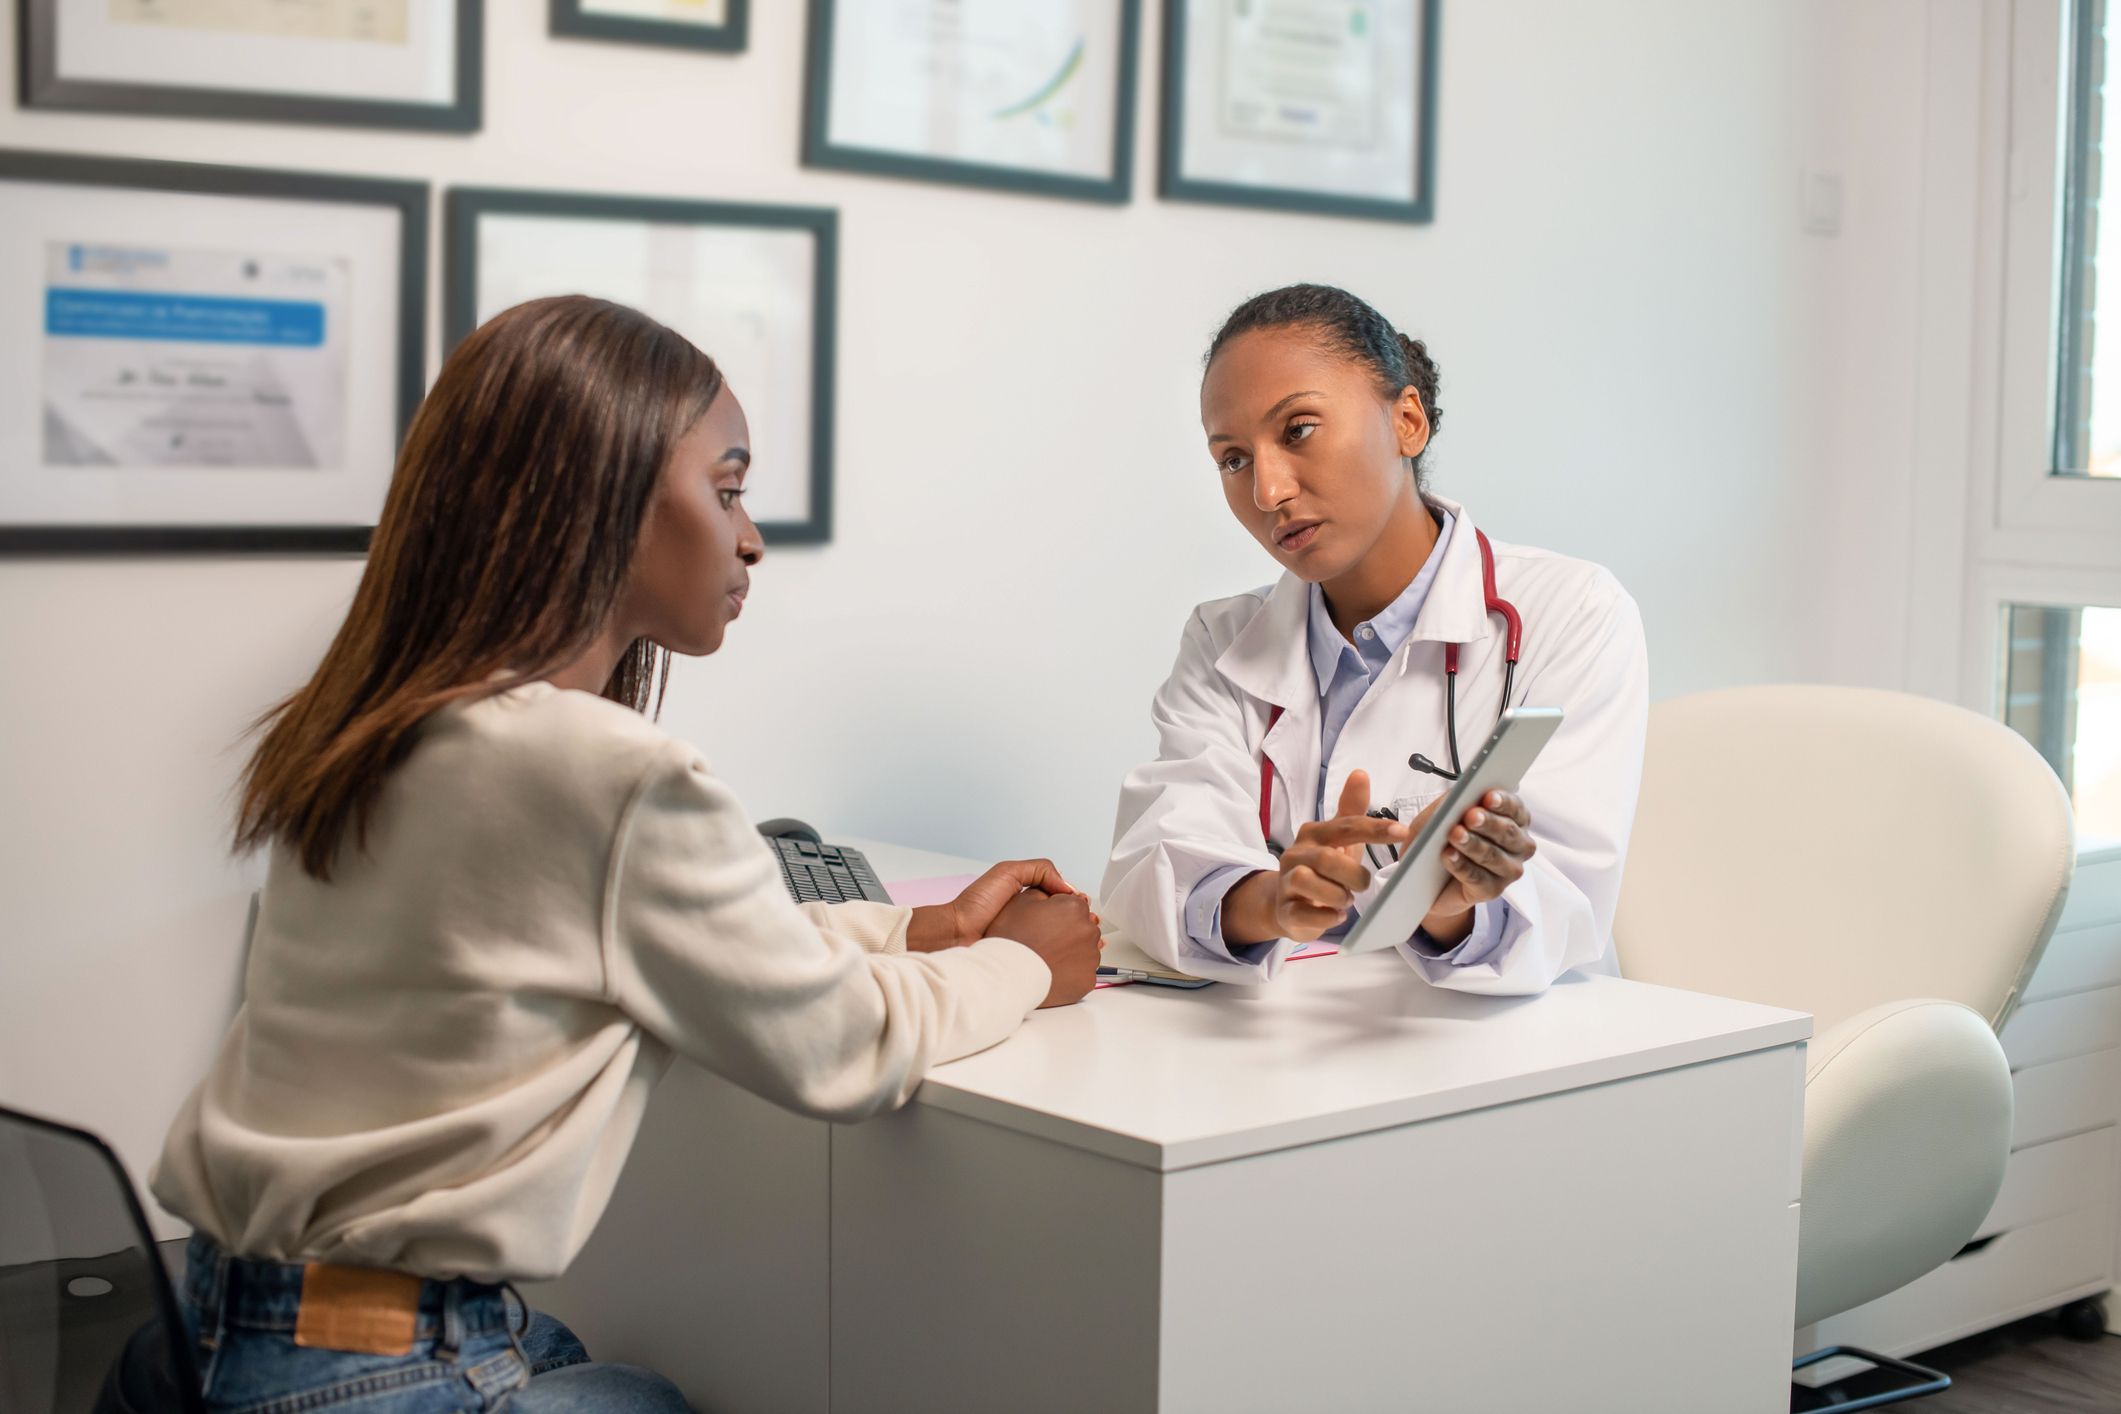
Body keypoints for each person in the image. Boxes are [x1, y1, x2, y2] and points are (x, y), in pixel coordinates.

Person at [130, 295, 1104, 1412]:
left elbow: (613, 941)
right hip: (377, 1365)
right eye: (728, 488)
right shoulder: (598, 771)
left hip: (211, 1319)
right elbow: (846, 1047)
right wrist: (1023, 964)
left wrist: (911, 927)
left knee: (628, 1373)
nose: (750, 537)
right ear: (604, 497)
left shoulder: (380, 726)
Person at [1101, 284, 1647, 994]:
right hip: (1285, 1039)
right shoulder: (1222, 639)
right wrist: (1269, 902)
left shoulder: (1570, 611)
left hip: (1506, 1045)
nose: (1267, 490)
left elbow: (1567, 901)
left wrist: (1450, 908)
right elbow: (1158, 858)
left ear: (1407, 422)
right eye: (1232, 459)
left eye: (1297, 429)